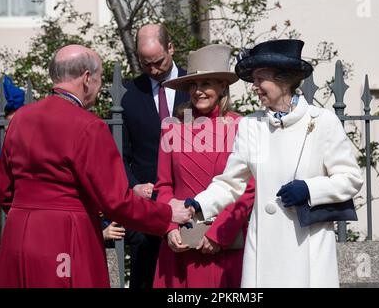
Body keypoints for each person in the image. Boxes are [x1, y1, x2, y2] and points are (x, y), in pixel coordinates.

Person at [0, 44, 192, 288]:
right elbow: (116, 202)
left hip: (18, 237)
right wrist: (166, 214)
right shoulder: (89, 126)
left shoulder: (20, 119)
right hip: (67, 237)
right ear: (87, 78)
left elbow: (5, 191)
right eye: (100, 78)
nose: (100, 87)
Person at [183, 39, 364, 287]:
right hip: (265, 251)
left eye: (260, 79)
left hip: (307, 247)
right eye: (253, 80)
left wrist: (310, 189)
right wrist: (200, 203)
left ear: (284, 80)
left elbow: (350, 178)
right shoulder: (251, 125)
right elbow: (230, 184)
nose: (254, 86)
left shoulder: (322, 122)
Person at [152, 44, 255, 288]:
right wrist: (169, 228)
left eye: (206, 83)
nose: (198, 91)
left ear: (222, 86)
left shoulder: (242, 127)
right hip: (180, 243)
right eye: (193, 85)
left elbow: (249, 188)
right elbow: (164, 186)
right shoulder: (173, 127)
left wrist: (221, 232)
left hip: (227, 243)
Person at [121, 24, 189, 289]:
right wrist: (133, 185)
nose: (153, 70)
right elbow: (121, 153)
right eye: (145, 63)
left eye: (158, 62)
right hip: (147, 204)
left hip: (189, 199)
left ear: (170, 48)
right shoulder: (128, 94)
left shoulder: (196, 86)